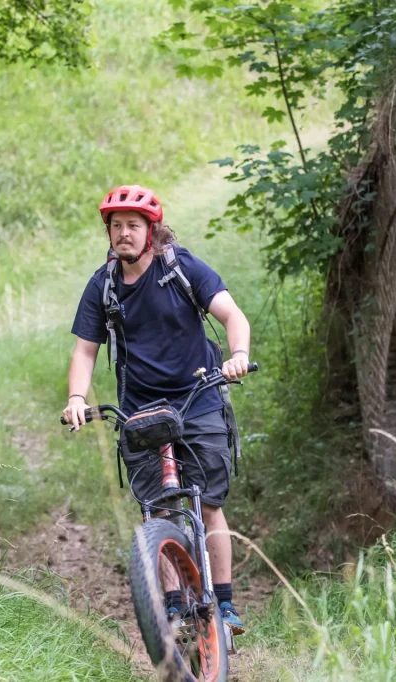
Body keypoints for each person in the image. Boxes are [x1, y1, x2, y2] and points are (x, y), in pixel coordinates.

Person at [63, 184, 252, 635]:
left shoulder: (180, 267)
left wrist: (238, 354)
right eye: (116, 226)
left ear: (152, 230)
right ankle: (172, 608)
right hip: (140, 412)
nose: (123, 234)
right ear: (108, 233)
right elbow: (85, 351)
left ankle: (223, 605)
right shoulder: (103, 285)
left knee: (207, 507)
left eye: (133, 225)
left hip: (198, 397)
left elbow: (231, 315)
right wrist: (76, 398)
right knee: (159, 513)